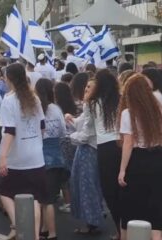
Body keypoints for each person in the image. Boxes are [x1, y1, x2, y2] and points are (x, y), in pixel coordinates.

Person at [0, 63, 46, 240]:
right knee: (35, 199)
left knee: (5, 191)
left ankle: (18, 225)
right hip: (36, 157)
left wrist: (2, 157)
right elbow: (42, 126)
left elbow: (9, 131)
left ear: (9, 78)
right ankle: (33, 235)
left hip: (16, 158)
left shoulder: (9, 101)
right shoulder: (35, 98)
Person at [117, 73, 162, 240]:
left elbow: (128, 143)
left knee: (130, 208)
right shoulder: (158, 109)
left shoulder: (128, 114)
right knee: (156, 211)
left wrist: (122, 170)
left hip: (137, 161)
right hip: (158, 158)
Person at [88, 69, 121, 240]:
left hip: (105, 149)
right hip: (121, 145)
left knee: (110, 192)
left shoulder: (94, 103)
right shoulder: (122, 100)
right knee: (124, 190)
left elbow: (89, 128)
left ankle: (120, 231)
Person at [68, 79, 104, 235]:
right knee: (89, 185)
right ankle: (93, 217)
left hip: (88, 149)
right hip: (88, 148)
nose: (86, 89)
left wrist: (70, 137)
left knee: (86, 186)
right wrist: (71, 120)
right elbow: (82, 123)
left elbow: (87, 133)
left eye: (90, 87)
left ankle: (91, 222)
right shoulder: (91, 104)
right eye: (86, 86)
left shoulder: (93, 105)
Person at [35, 78, 66, 240]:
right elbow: (63, 131)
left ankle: (50, 232)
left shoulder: (34, 108)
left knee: (42, 199)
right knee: (50, 198)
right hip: (55, 155)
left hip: (38, 155)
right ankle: (47, 230)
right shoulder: (55, 108)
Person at [54, 82, 78, 213]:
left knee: (64, 173)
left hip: (63, 141)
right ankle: (75, 200)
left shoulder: (56, 108)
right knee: (73, 171)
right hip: (75, 140)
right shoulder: (75, 105)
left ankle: (68, 201)